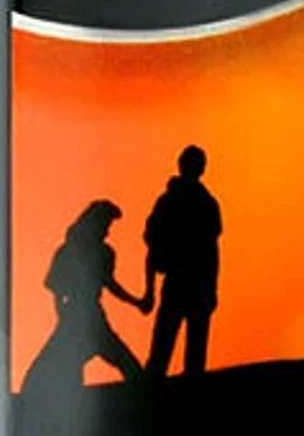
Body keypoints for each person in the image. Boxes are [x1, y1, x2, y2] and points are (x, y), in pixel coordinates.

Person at [21, 200, 147, 394]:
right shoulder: (69, 251)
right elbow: (55, 286)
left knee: (121, 361)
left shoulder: (104, 252)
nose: (107, 231)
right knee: (64, 363)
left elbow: (110, 284)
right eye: (105, 225)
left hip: (91, 315)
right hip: (75, 316)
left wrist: (135, 302)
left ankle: (142, 393)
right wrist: (61, 312)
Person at [143, 146, 222, 377]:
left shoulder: (191, 203)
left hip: (189, 285)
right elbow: (153, 243)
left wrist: (150, 290)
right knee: (167, 356)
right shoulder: (199, 203)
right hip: (185, 284)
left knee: (181, 358)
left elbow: (211, 251)